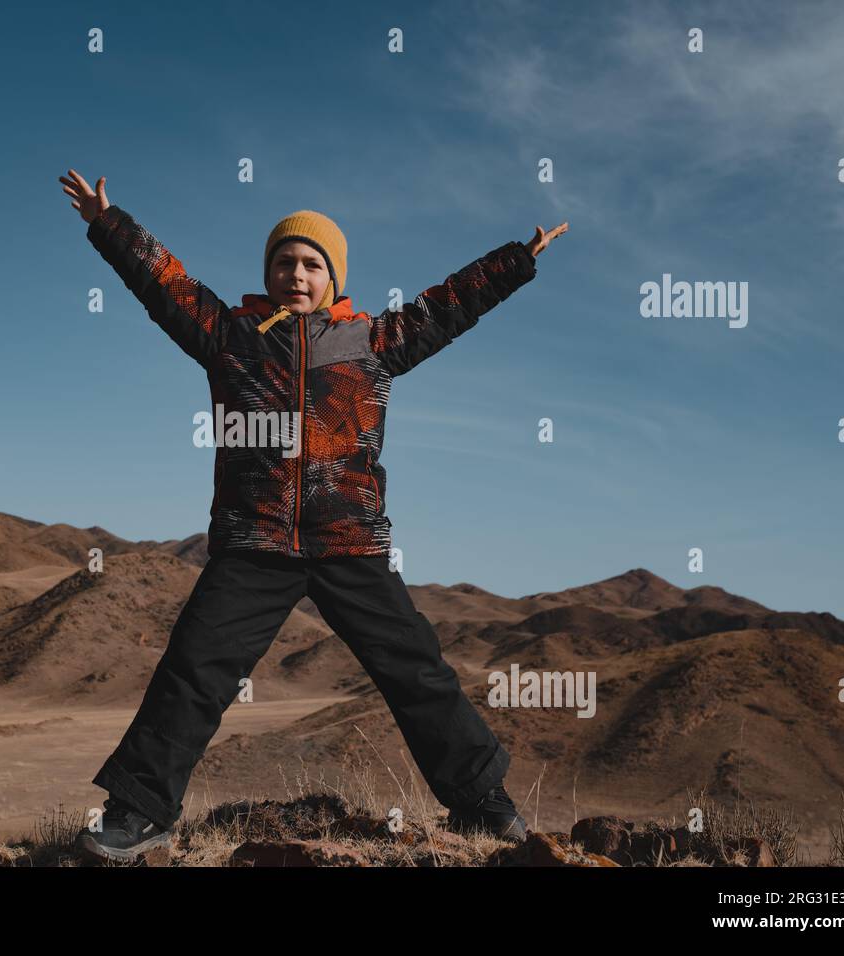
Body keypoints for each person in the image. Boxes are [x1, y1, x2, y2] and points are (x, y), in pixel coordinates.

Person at [59, 169, 568, 862]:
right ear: (267, 272)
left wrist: (515, 260)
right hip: (255, 541)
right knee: (194, 669)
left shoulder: (373, 342)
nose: (295, 275)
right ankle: (139, 812)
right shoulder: (230, 336)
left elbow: (447, 305)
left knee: (416, 672)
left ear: (332, 277)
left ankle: (482, 801)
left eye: (310, 264)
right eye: (283, 262)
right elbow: (165, 285)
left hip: (348, 541)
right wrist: (109, 223)